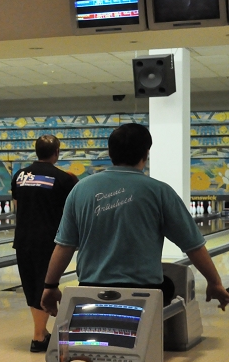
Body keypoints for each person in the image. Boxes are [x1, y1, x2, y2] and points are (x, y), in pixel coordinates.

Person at [41, 122, 229, 316]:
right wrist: (214, 282)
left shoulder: (80, 189)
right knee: (170, 286)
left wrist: (50, 286)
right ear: (146, 153)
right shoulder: (159, 191)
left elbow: (64, 246)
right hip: (145, 294)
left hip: (90, 290)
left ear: (110, 152)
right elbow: (193, 245)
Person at [12, 135, 77, 352]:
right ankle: (39, 337)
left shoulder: (20, 176)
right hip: (48, 241)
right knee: (43, 285)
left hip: (23, 239)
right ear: (56, 152)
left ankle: (40, 332)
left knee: (32, 286)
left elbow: (18, 205)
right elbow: (70, 210)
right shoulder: (63, 178)